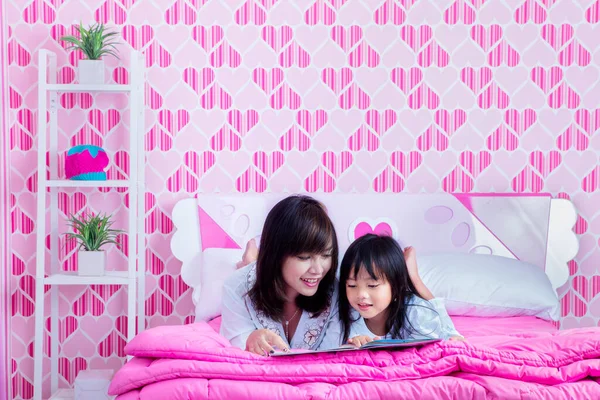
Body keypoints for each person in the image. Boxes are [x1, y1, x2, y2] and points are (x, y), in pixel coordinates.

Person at [220, 195, 341, 355]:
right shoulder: (237, 288)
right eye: (304, 257)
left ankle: (252, 260)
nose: (318, 270)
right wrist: (250, 339)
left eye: (326, 256)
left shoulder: (339, 291)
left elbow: (332, 356)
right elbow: (237, 348)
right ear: (276, 254)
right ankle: (252, 261)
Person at [338, 234, 463, 347]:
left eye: (372, 285)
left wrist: (414, 278)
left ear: (396, 286)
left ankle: (413, 276)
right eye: (352, 285)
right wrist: (352, 344)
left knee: (450, 333)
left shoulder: (416, 311)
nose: (361, 295)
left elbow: (437, 342)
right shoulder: (346, 314)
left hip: (436, 328)